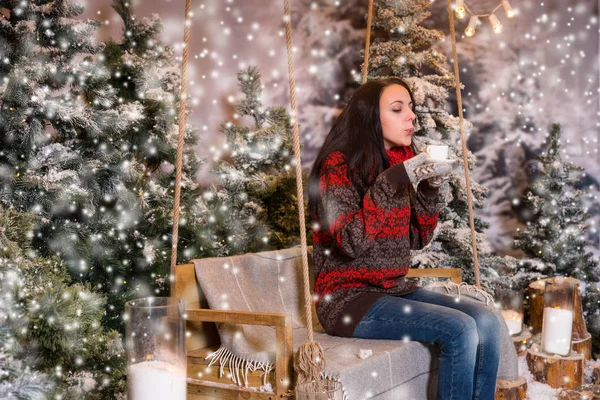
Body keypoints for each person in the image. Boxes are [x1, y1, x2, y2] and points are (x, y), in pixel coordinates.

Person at [307, 77, 501, 400]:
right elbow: (350, 242)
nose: (411, 116)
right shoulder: (336, 168)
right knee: (461, 330)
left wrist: (429, 188)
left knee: (487, 322)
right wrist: (389, 182)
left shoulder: (398, 159)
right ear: (371, 117)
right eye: (398, 109)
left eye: (410, 107)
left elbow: (416, 237)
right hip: (347, 301)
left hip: (394, 289)